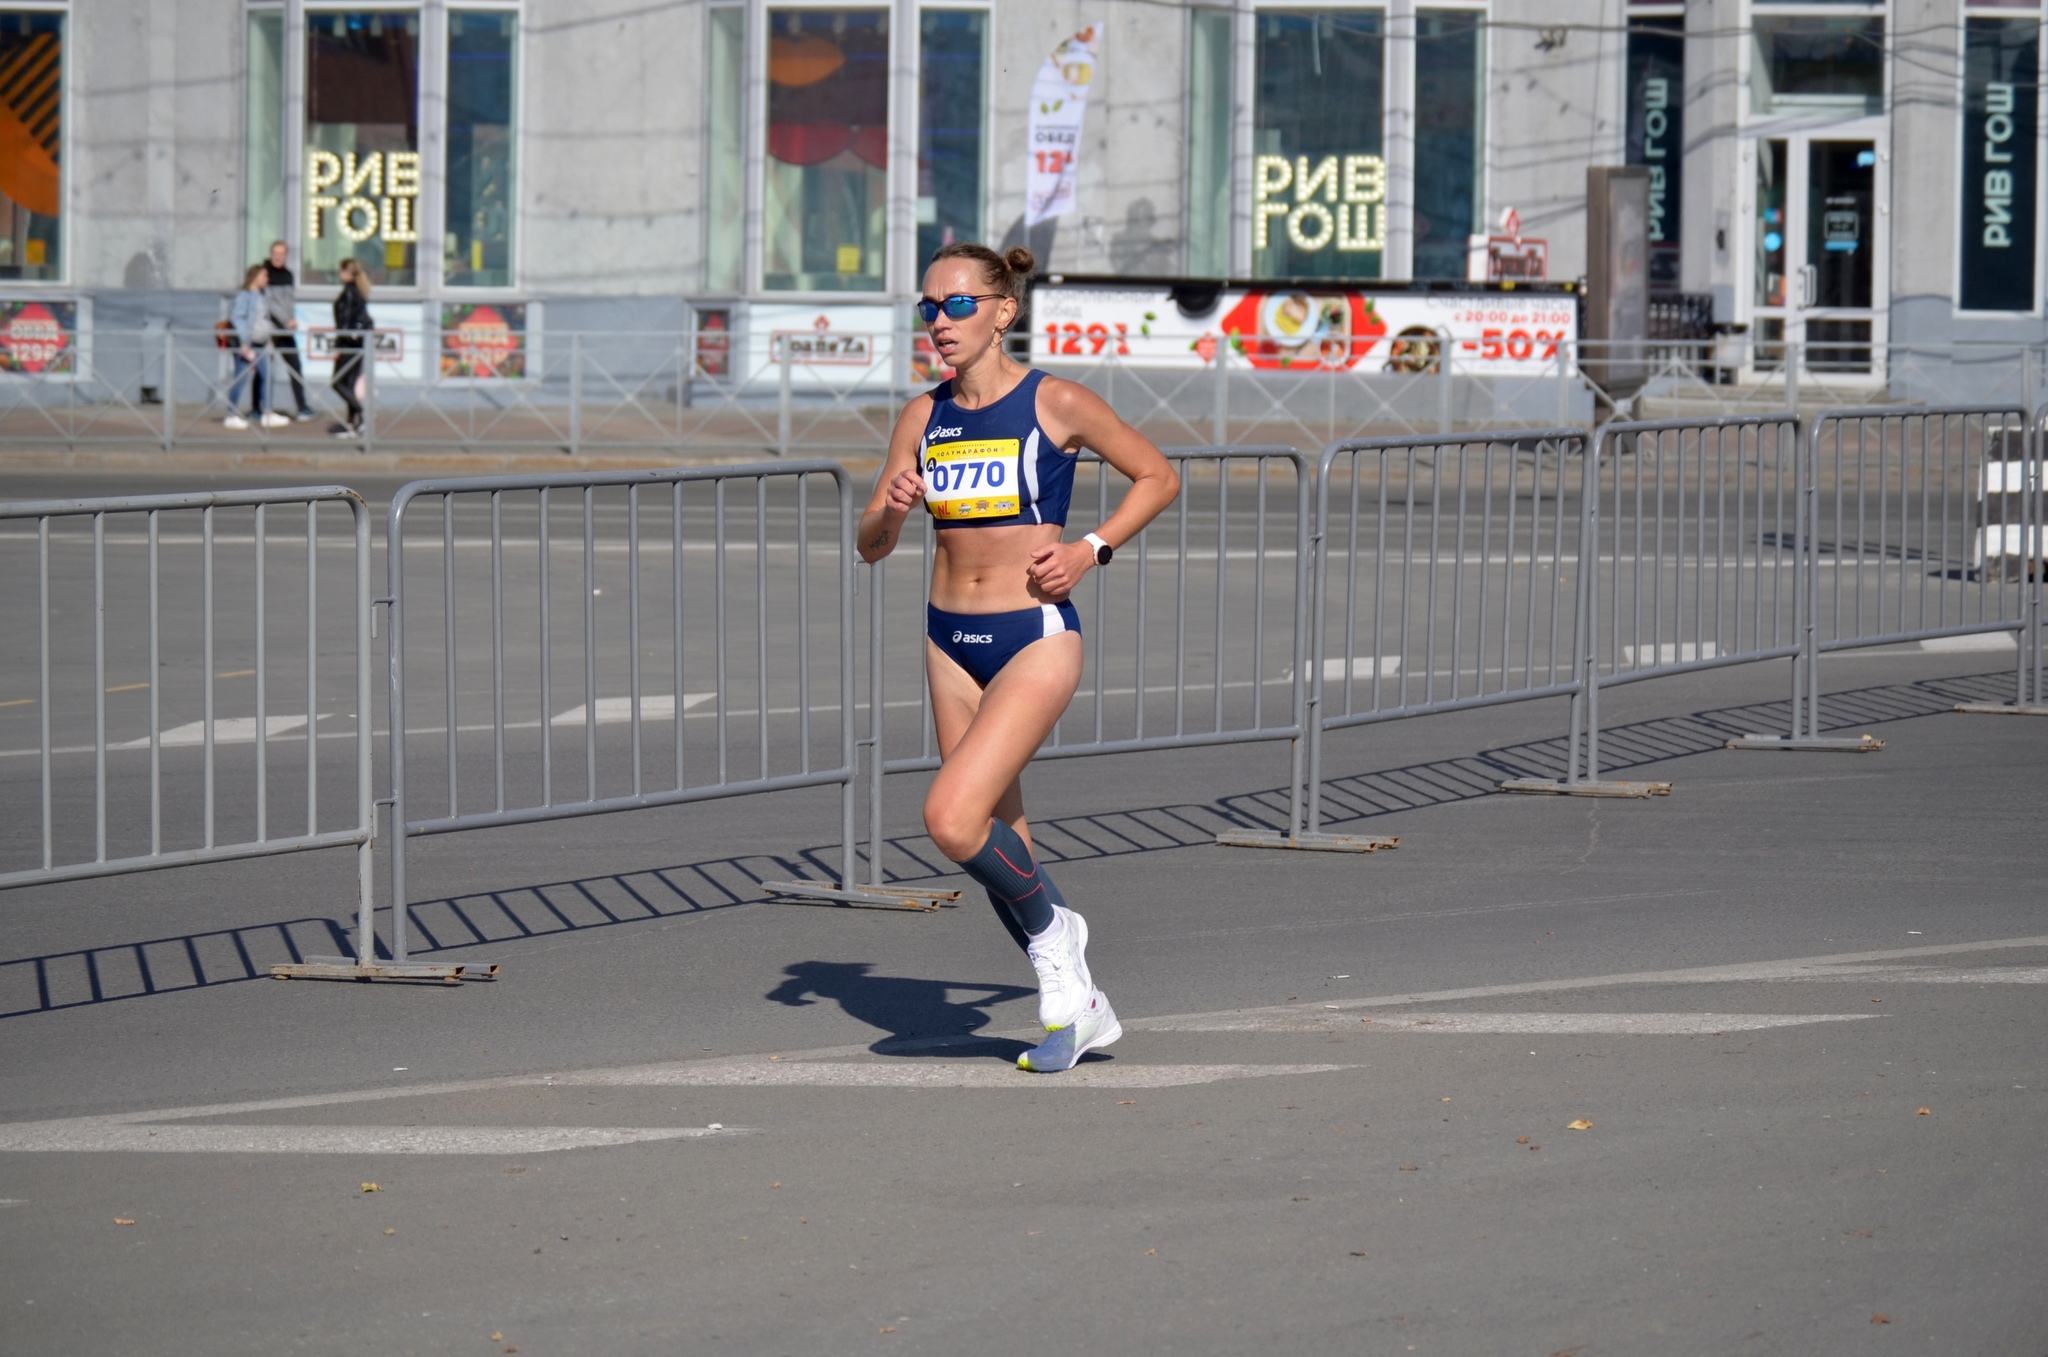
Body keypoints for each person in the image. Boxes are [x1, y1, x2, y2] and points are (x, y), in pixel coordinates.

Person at [858, 244, 1179, 1073]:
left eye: (957, 305)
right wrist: (891, 510)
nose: (939, 322)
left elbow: (1157, 475)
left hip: (1034, 635)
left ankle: (1058, 931)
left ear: (1004, 311)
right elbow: (869, 546)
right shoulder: (921, 417)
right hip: (947, 641)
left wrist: (1090, 550)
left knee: (950, 818)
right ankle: (1078, 1008)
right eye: (927, 307)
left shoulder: (1056, 401)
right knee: (1002, 841)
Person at [224, 264, 289, 431]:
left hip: (260, 344)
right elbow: (238, 319)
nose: (267, 279)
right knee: (242, 378)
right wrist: (244, 344)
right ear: (255, 277)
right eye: (264, 276)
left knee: (267, 375)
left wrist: (270, 338)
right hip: (248, 344)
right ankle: (231, 415)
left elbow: (263, 320)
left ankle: (266, 413)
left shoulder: (261, 295)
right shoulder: (245, 296)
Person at [262, 239, 317, 421]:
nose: (277, 257)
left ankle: (302, 407)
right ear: (270, 255)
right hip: (269, 329)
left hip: (285, 330)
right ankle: (259, 408)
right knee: (263, 369)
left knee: (295, 366)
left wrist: (291, 319)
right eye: (274, 254)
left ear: (286, 256)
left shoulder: (288, 275)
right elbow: (268, 303)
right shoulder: (264, 274)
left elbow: (288, 301)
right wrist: (285, 321)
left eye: (281, 254)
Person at [330, 257, 372, 437]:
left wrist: (338, 346)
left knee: (338, 382)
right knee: (348, 383)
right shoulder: (359, 291)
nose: (339, 274)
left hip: (348, 345)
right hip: (358, 344)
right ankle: (351, 424)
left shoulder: (348, 293)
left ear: (347, 272)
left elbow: (344, 324)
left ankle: (361, 414)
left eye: (341, 270)